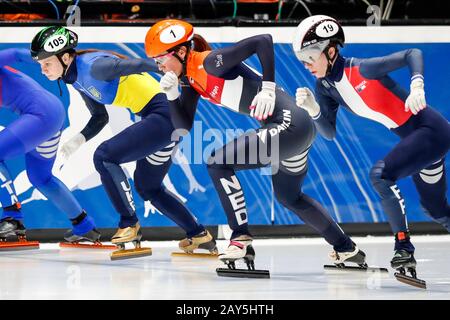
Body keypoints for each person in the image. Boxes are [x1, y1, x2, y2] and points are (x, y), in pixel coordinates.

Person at [144, 19, 368, 271]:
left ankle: (239, 238)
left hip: (289, 124)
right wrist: (172, 96)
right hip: (295, 129)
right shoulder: (190, 80)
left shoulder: (209, 62)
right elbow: (182, 126)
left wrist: (268, 88)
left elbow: (263, 41)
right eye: (155, 61)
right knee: (289, 196)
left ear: (182, 52)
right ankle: (346, 249)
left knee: (218, 163)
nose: (158, 66)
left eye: (160, 58)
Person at [30, 26, 217, 257]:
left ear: (65, 57)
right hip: (159, 118)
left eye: (46, 63)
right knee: (149, 187)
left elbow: (135, 64)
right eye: (40, 64)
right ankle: (199, 235)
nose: (43, 69)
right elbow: (100, 117)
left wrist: (165, 66)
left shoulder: (94, 67)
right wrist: (78, 140)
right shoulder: (75, 78)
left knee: (104, 156)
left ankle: (129, 223)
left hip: (163, 115)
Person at [293, 15, 450, 283]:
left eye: (310, 55)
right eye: (301, 57)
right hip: (420, 145)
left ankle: (403, 248)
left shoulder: (363, 69)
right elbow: (329, 133)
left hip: (432, 131)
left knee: (380, 175)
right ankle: (407, 246)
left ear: (331, 51)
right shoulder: (326, 87)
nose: (306, 63)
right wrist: (314, 110)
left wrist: (417, 84)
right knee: (435, 209)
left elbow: (412, 53)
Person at [0, 47, 100, 244]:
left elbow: (17, 54)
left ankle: (12, 218)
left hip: (40, 115)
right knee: (41, 177)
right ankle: (84, 226)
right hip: (51, 114)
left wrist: (49, 62)